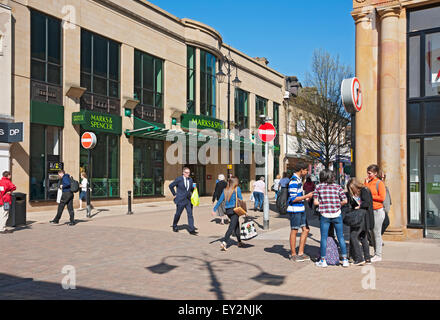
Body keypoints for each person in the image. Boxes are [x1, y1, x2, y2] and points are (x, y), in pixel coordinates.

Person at [314, 169, 349, 268]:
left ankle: (323, 260)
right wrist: (337, 205)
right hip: (337, 214)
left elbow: (315, 202)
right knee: (341, 237)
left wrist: (324, 204)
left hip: (324, 215)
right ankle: (345, 260)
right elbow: (345, 200)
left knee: (323, 238)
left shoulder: (318, 187)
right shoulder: (338, 187)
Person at [287, 162, 314, 262]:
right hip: (295, 209)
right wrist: (307, 196)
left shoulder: (298, 180)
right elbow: (293, 198)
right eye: (306, 170)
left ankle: (301, 252)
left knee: (306, 229)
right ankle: (294, 254)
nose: (307, 172)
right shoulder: (293, 181)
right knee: (294, 230)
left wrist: (305, 198)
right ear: (301, 170)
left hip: (300, 208)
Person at [345, 178, 373, 265]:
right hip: (361, 217)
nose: (352, 191)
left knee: (353, 236)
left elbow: (367, 203)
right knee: (363, 237)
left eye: (352, 188)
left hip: (362, 217)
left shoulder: (364, 190)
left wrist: (359, 206)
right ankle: (367, 258)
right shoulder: (357, 192)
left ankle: (359, 258)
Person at [212, 176, 244, 251]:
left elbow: (220, 200)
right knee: (231, 227)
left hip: (228, 211)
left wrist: (214, 209)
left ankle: (239, 242)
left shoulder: (225, 190)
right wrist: (244, 211)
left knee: (236, 225)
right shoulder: (237, 189)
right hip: (235, 210)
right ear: (235, 182)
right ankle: (224, 242)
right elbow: (241, 200)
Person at [364, 164, 386, 262]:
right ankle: (376, 253)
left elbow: (382, 197)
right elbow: (364, 193)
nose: (368, 175)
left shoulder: (379, 183)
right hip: (371, 210)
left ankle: (378, 255)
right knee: (372, 232)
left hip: (378, 210)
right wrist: (365, 183)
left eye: (370, 173)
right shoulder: (369, 182)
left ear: (375, 173)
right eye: (367, 173)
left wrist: (371, 196)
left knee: (377, 233)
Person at [169, 167, 197, 235]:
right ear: (183, 173)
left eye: (189, 173)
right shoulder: (179, 179)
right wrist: (174, 194)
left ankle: (191, 229)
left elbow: (191, 189)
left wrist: (194, 189)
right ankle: (175, 225)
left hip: (188, 200)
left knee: (190, 214)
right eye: (187, 173)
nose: (188, 174)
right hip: (181, 200)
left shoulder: (190, 179)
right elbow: (171, 186)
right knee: (178, 214)